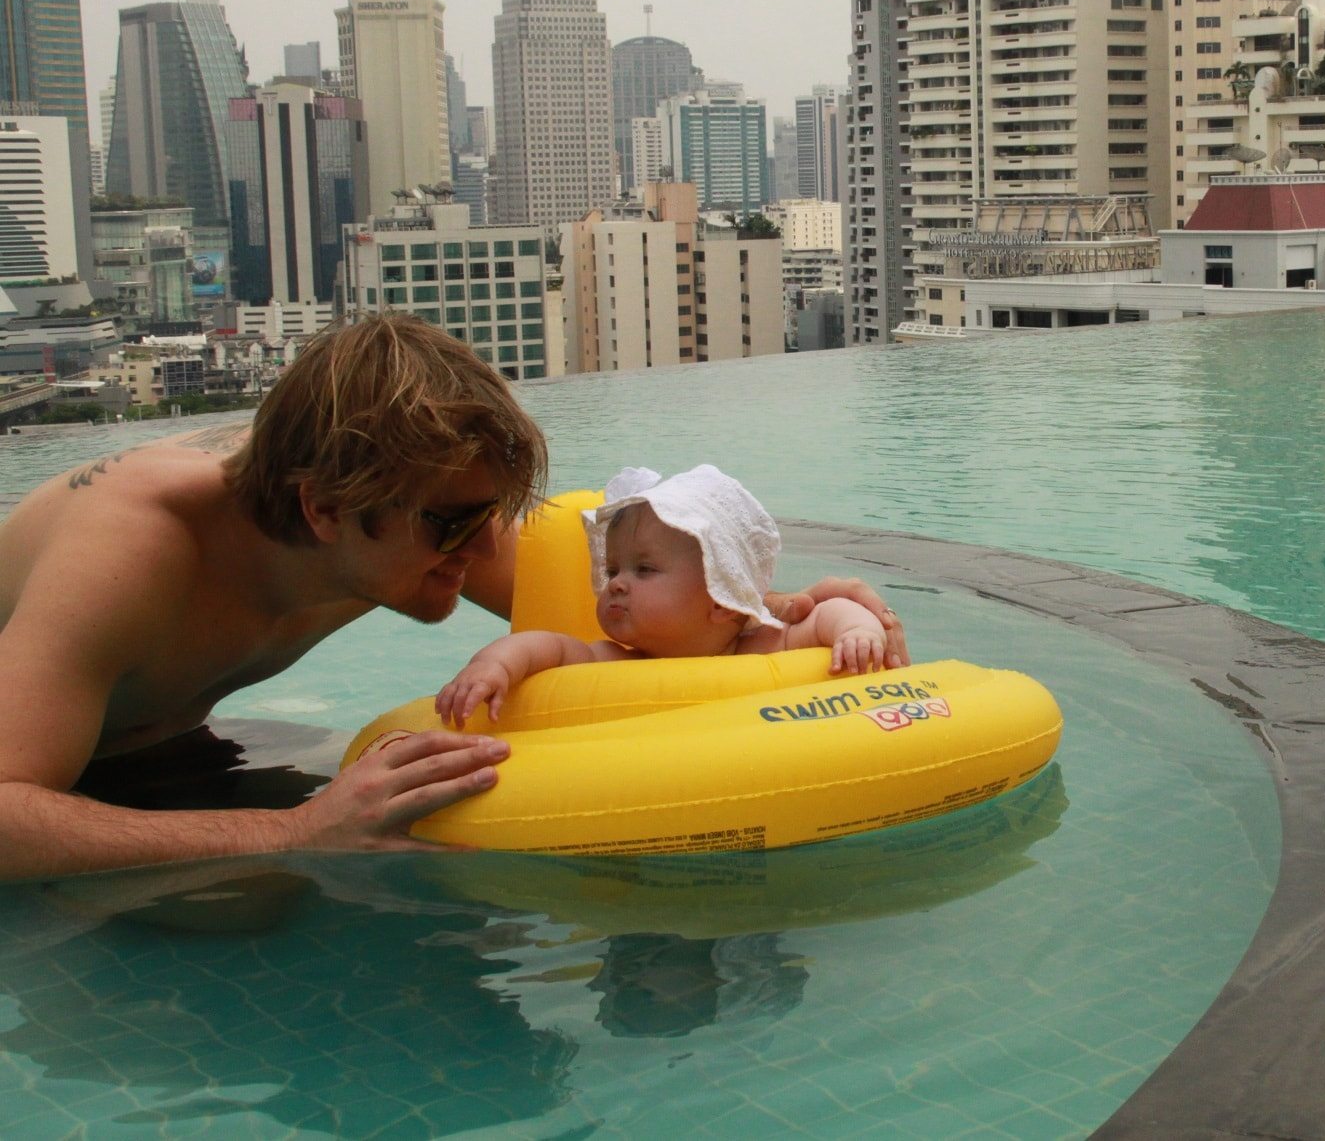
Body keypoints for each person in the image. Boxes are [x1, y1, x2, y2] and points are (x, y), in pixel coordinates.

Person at [0, 314, 907, 881]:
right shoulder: (130, 553)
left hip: (167, 748)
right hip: (31, 781)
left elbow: (647, 624)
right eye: (455, 524)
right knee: (263, 903)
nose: (484, 552)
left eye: (495, 515)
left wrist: (782, 609)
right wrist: (292, 831)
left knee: (430, 847)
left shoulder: (397, 512)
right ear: (324, 508)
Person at [435, 465, 890, 727]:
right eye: (612, 569)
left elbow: (833, 610)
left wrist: (857, 631)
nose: (615, 583)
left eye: (645, 569)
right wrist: (492, 666)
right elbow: (542, 645)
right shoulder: (615, 662)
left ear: (722, 599)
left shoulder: (770, 644)